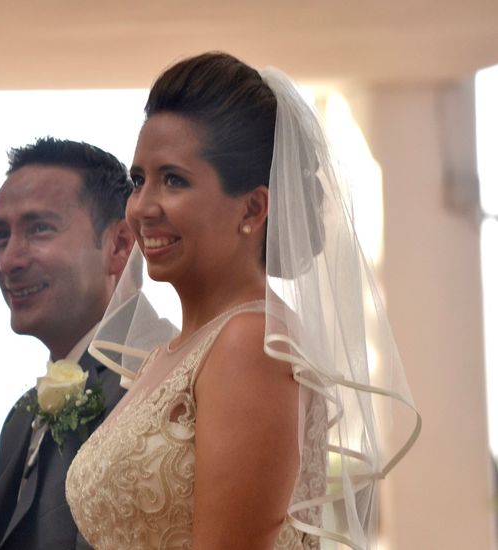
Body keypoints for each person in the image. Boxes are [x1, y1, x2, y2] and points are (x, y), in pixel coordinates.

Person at [66, 52, 420, 550]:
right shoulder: (171, 353)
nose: (143, 207)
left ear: (253, 207)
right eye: (139, 180)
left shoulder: (250, 343)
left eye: (174, 180)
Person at [0, 137, 138, 550]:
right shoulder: (19, 419)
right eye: (2, 236)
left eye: (39, 229)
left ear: (118, 245)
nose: (8, 261)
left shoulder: (149, 388)